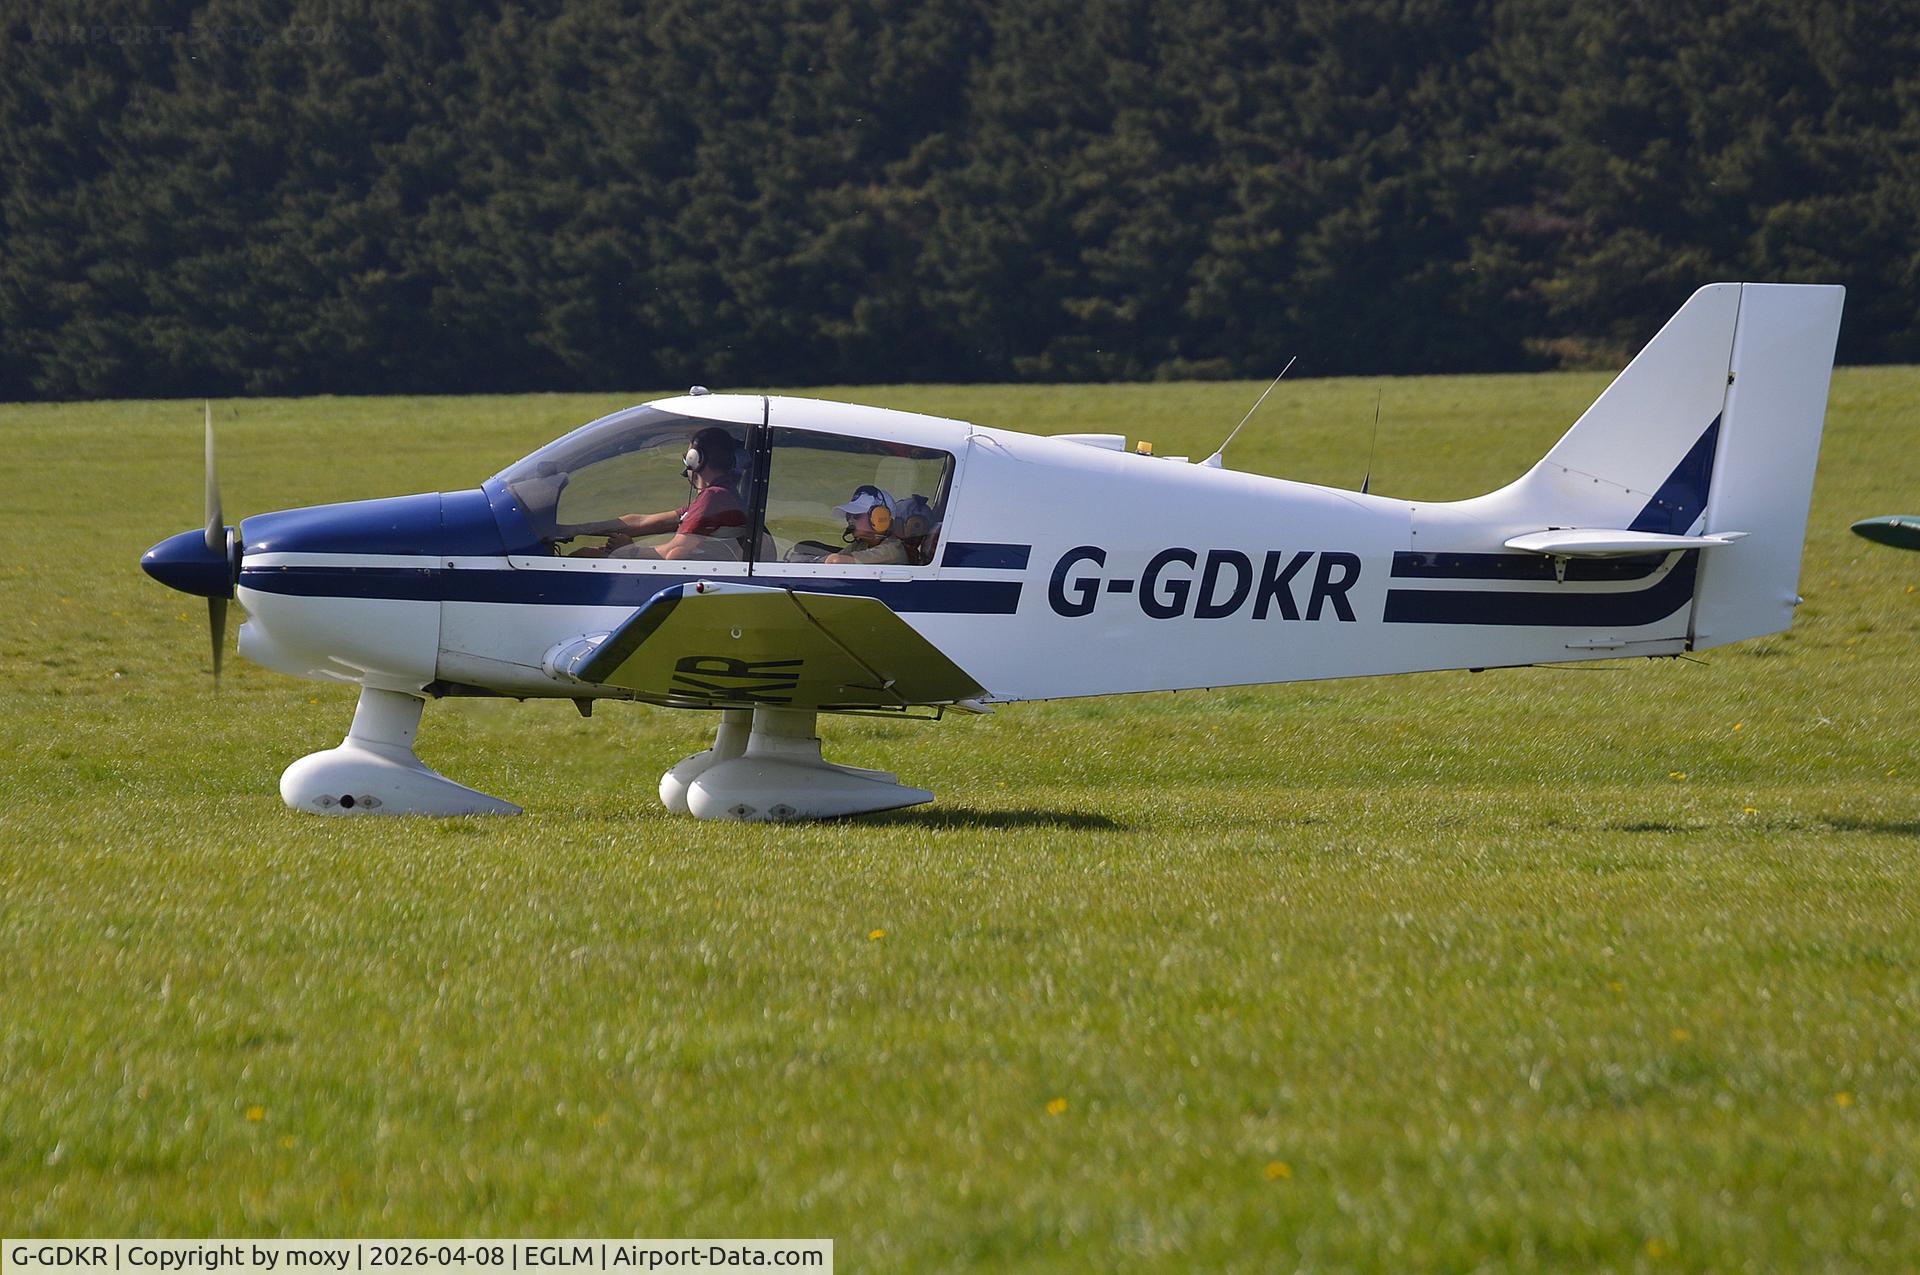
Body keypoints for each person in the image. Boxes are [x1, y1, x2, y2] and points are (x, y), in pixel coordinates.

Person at [573, 426, 747, 560]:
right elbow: (644, 521)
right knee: (589, 553)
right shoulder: (720, 495)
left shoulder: (715, 497)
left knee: (585, 556)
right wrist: (577, 529)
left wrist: (631, 552)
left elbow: (675, 552)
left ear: (695, 459)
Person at [822, 485, 909, 565]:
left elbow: (836, 561)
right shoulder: (862, 544)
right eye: (848, 515)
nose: (850, 520)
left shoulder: (892, 550)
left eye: (856, 515)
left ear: (879, 518)